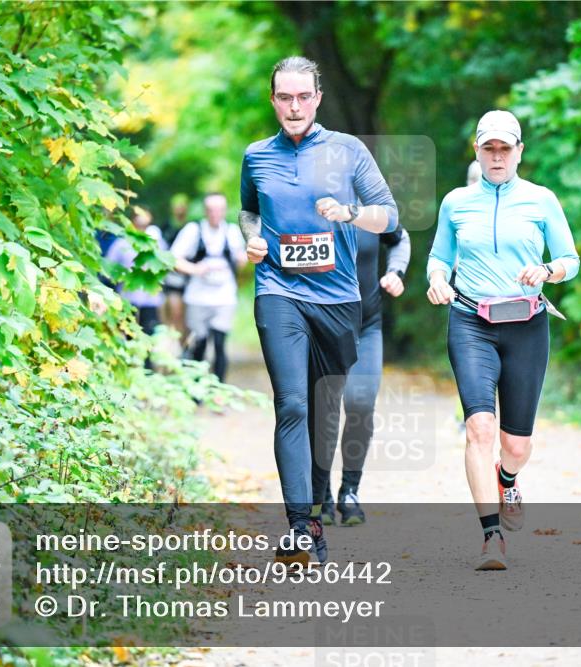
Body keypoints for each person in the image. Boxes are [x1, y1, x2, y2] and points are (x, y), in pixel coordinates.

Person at [239, 56, 399, 564]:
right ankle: (301, 526)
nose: (293, 106)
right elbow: (248, 211)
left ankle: (321, 505)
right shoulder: (256, 156)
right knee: (291, 404)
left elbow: (389, 215)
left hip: (337, 300)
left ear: (318, 99)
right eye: (284, 97)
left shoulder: (347, 151)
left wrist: (350, 212)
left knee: (324, 410)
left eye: (303, 96)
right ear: (273, 100)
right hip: (278, 291)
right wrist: (252, 238)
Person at [426, 110, 580, 570]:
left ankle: (507, 477)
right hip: (470, 320)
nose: (496, 157)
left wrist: (548, 271)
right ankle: (491, 536)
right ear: (477, 150)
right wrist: (436, 279)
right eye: (488, 148)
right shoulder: (456, 202)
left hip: (526, 325)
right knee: (479, 429)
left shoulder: (541, 200)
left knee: (515, 445)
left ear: (519, 153)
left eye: (505, 149)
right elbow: (439, 256)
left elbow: (570, 258)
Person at [320, 224, 410, 526]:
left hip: (366, 325)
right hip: (321, 324)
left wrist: (395, 271)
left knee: (360, 403)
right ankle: (322, 495)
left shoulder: (370, 208)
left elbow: (400, 238)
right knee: (323, 409)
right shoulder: (309, 202)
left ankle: (349, 491)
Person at [171, 192, 247, 383]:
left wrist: (242, 258)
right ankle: (197, 389)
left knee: (220, 344)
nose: (215, 214)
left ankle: (219, 390)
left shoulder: (232, 231)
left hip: (224, 296)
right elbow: (173, 259)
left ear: (224, 210)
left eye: (219, 209)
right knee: (199, 343)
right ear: (205, 211)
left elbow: (241, 259)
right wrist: (196, 269)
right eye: (211, 210)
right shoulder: (193, 230)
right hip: (197, 297)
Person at [105, 206, 169, 366]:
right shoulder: (122, 243)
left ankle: (148, 370)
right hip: (128, 298)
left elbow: (167, 264)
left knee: (149, 335)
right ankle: (130, 367)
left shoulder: (156, 242)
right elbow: (109, 268)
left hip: (150, 299)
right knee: (129, 335)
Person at [161, 194, 191, 343]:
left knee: (187, 317)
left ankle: (184, 345)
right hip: (172, 277)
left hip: (190, 277)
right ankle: (176, 345)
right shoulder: (166, 226)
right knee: (174, 314)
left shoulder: (191, 227)